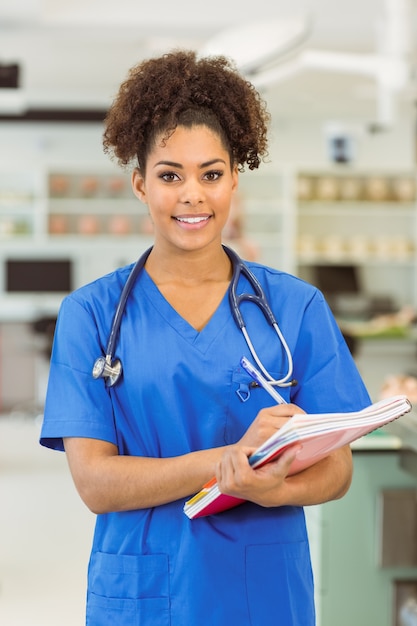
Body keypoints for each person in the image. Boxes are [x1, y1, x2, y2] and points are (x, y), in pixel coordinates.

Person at [40, 49, 371, 626]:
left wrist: (273, 489)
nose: (192, 195)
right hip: (143, 592)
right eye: (170, 175)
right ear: (141, 185)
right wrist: (228, 460)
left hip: (262, 589)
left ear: (233, 181)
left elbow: (338, 470)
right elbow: (95, 482)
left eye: (211, 174)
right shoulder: (91, 315)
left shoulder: (296, 308)